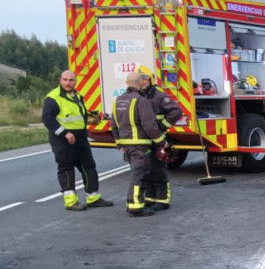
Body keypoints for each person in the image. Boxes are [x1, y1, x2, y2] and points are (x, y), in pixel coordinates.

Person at [41, 70, 113, 211]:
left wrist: (94, 120)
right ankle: (71, 201)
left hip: (80, 137)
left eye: (71, 80)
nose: (68, 83)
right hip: (62, 139)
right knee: (66, 168)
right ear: (60, 80)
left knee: (89, 167)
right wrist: (65, 133)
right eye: (65, 80)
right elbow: (47, 119)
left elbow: (79, 116)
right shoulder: (53, 97)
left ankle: (93, 198)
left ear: (75, 81)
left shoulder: (78, 96)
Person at [111, 72, 167, 217]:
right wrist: (161, 141)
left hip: (126, 146)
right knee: (139, 175)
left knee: (136, 173)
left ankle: (135, 203)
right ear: (140, 83)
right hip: (140, 146)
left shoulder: (118, 100)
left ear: (127, 83)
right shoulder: (141, 101)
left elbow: (114, 125)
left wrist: (119, 143)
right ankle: (135, 207)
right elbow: (149, 125)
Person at [136, 66, 181, 210]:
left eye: (145, 79)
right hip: (143, 139)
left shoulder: (159, 96)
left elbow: (176, 111)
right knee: (146, 169)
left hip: (157, 138)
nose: (142, 82)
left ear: (151, 80)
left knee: (158, 169)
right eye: (140, 80)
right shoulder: (137, 96)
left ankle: (162, 200)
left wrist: (161, 127)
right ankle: (150, 197)